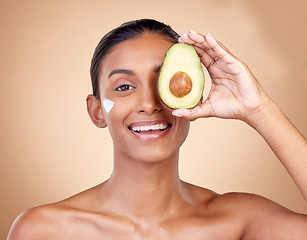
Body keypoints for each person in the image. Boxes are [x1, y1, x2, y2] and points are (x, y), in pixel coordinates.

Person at [7, 19, 307, 239]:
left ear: (193, 96)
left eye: (166, 82)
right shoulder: (44, 230)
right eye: (124, 87)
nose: (149, 104)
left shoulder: (239, 221)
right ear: (97, 111)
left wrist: (259, 110)